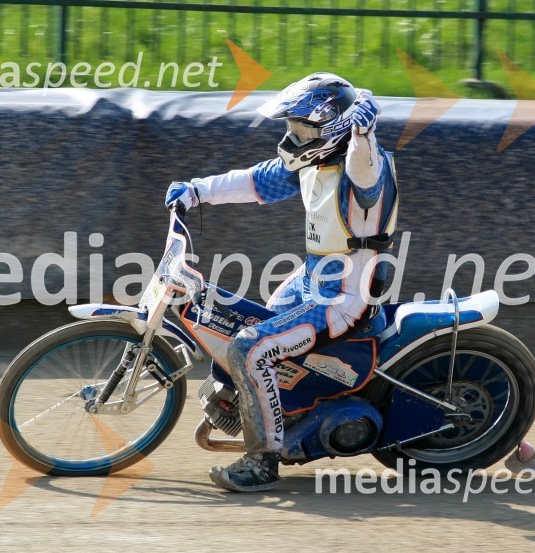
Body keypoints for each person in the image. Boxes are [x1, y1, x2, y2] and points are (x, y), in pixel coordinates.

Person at [165, 73, 398, 492]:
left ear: (332, 130)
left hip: (344, 300)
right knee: (249, 323)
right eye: (291, 126)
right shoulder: (314, 159)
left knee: (249, 348)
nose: (292, 137)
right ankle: (265, 405)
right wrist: (197, 191)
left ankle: (262, 461)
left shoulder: (363, 167)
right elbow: (256, 181)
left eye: (302, 129)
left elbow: (363, 166)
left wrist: (363, 131)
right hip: (311, 282)